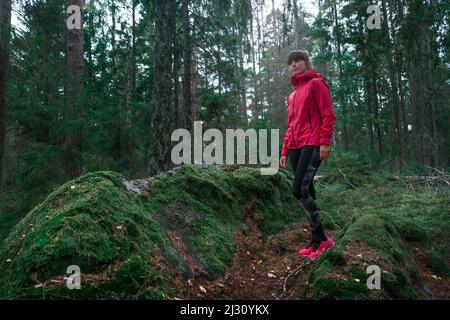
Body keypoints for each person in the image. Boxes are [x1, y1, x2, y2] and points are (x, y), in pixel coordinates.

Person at [279, 50, 337, 260]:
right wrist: (285, 150)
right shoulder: (292, 95)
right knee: (308, 189)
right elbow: (291, 125)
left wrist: (325, 141)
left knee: (298, 190)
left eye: (298, 60)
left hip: (312, 142)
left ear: (306, 63)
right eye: (291, 62)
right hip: (295, 146)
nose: (294, 64)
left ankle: (321, 239)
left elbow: (328, 114)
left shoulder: (316, 83)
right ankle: (316, 241)